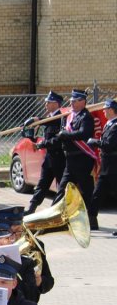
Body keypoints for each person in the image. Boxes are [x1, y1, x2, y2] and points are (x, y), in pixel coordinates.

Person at [53, 89, 98, 228]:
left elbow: (83, 133)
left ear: (83, 102)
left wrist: (65, 135)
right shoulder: (69, 116)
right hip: (70, 160)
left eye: (75, 101)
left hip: (82, 159)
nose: (71, 103)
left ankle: (92, 220)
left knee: (86, 191)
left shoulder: (86, 117)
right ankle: (52, 219)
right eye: (71, 101)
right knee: (62, 190)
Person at [26, 91, 66, 214]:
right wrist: (30, 131)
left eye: (49, 102)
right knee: (42, 184)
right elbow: (42, 130)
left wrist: (42, 144)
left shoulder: (60, 118)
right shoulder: (49, 118)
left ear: (56, 104)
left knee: (62, 187)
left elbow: (57, 140)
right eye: (46, 102)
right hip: (49, 158)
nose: (46, 105)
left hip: (59, 158)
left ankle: (58, 211)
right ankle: (31, 209)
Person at [88, 98, 117, 233]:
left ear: (111, 110)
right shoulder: (109, 124)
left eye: (106, 109)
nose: (104, 111)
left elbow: (109, 145)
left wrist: (95, 142)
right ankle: (91, 221)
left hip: (114, 166)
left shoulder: (116, 126)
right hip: (106, 166)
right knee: (97, 194)